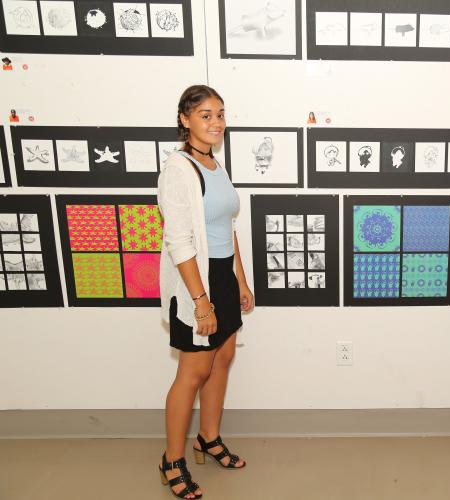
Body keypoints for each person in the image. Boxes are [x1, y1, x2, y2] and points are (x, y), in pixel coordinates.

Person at [157, 85, 254, 499]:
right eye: (205, 115)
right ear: (185, 120)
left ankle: (208, 438)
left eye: (220, 114)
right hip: (195, 279)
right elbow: (180, 241)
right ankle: (171, 461)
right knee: (193, 372)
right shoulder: (178, 169)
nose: (216, 123)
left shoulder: (215, 162)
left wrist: (241, 280)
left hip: (223, 276)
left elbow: (226, 227)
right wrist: (201, 302)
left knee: (224, 358)